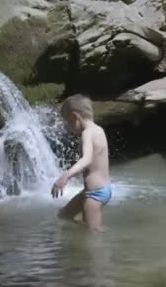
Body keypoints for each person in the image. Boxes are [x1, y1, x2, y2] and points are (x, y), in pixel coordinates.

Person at [52, 94, 112, 232]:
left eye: (67, 122)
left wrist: (65, 176)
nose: (67, 127)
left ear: (74, 117)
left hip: (95, 193)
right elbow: (96, 159)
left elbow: (87, 159)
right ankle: (77, 238)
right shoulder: (99, 130)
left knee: (92, 233)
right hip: (96, 190)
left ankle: (102, 249)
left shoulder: (87, 134)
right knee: (64, 215)